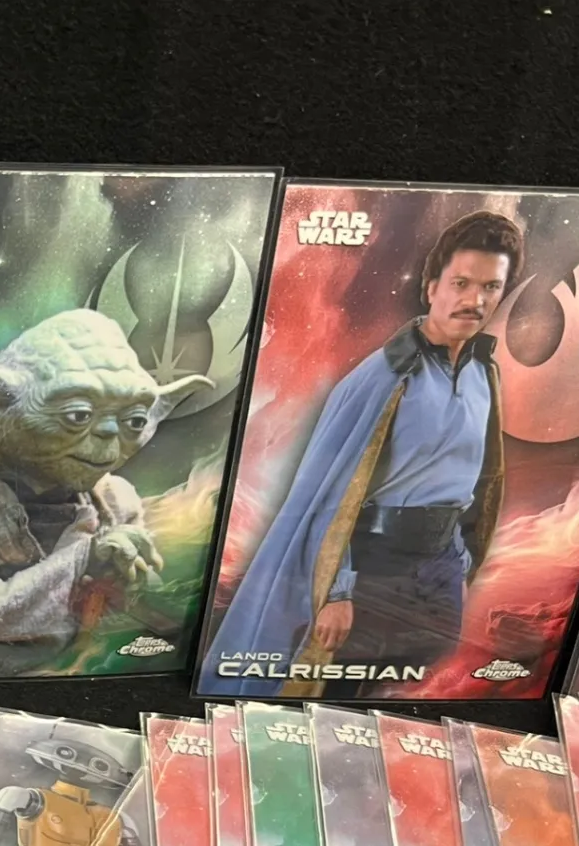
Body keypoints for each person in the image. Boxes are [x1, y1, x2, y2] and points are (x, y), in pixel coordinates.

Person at [203, 211, 523, 696]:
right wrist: (336, 591)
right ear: (431, 288)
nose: (474, 300)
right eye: (461, 283)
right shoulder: (383, 377)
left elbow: (477, 483)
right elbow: (329, 495)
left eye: (490, 287)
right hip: (372, 567)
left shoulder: (484, 374)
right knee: (331, 696)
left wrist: (457, 566)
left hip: (439, 571)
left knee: (402, 694)